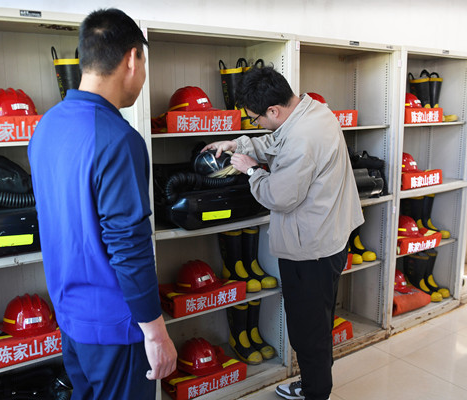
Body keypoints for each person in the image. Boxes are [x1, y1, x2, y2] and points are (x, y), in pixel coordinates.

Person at [28, 8, 177, 400]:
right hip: (116, 328)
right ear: (132, 60)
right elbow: (129, 245)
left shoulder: (47, 126)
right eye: (144, 64)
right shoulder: (118, 139)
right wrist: (156, 333)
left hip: (72, 319)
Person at [202, 66, 364, 400]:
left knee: (308, 331)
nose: (257, 124)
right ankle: (313, 385)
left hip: (311, 250)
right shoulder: (313, 111)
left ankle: (315, 393)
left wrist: (251, 171)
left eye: (255, 119)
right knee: (317, 322)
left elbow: (278, 196)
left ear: (273, 110)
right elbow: (278, 140)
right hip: (329, 237)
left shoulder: (303, 139)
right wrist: (237, 143)